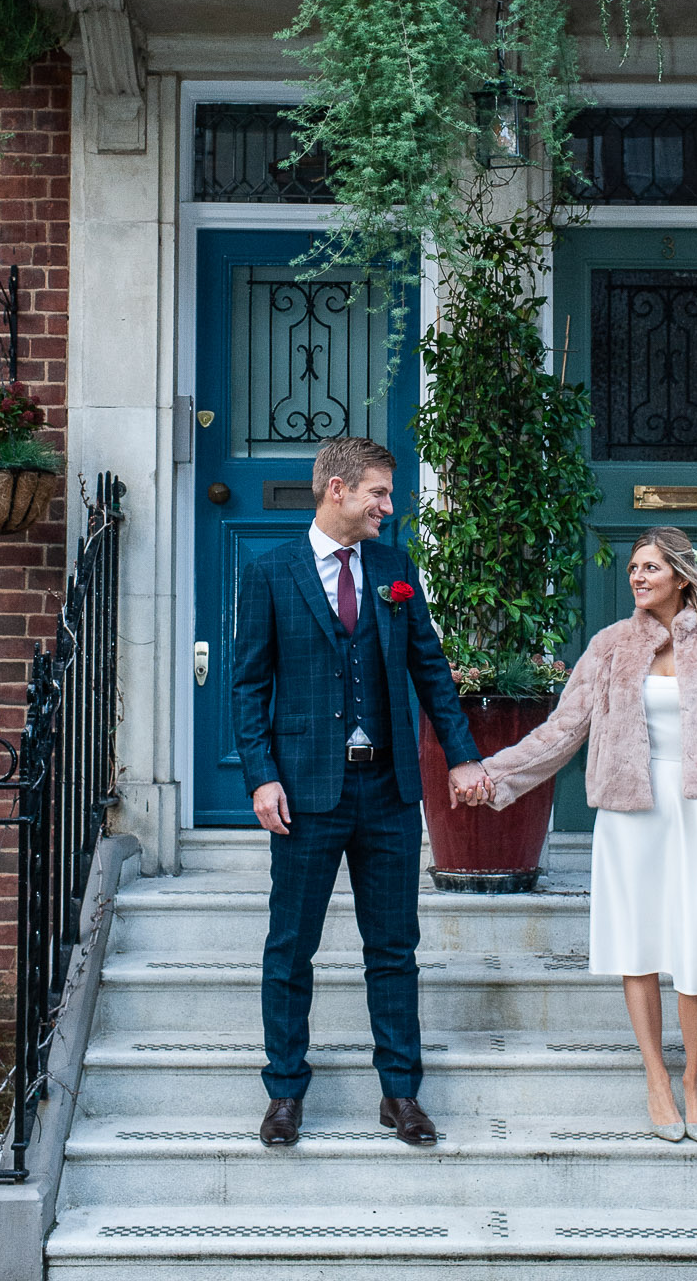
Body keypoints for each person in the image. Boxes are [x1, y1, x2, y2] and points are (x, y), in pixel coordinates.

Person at [456, 527, 697, 1142]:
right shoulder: (610, 646)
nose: (637, 577)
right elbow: (561, 732)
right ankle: (656, 1078)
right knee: (638, 947)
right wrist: (493, 773)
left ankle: (693, 1078)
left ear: (682, 576)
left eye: (651, 567)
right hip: (631, 816)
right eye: (634, 567)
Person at [231, 436, 489, 1151]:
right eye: (377, 492)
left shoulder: (393, 568)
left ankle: (400, 1093)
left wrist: (461, 758)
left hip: (387, 788)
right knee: (290, 946)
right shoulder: (271, 572)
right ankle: (285, 1093)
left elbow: (429, 668)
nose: (388, 505)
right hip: (305, 793)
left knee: (393, 947)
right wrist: (260, 775)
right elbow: (249, 685)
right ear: (337, 490)